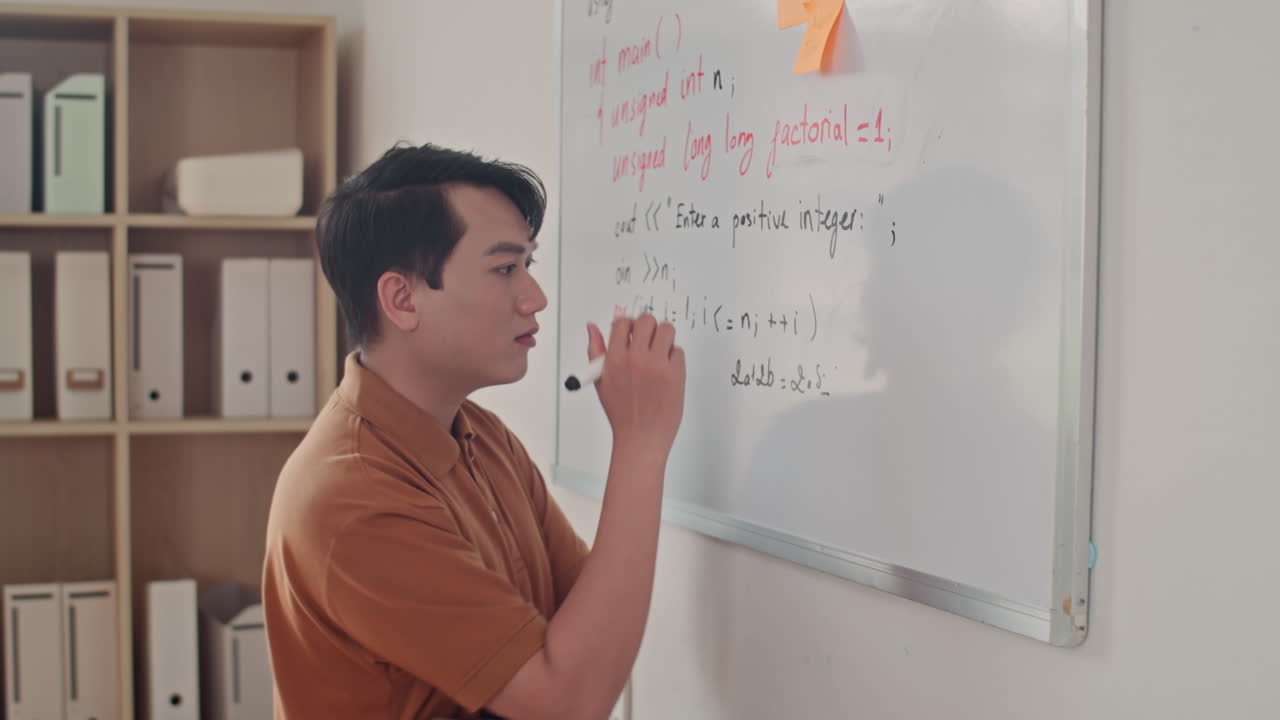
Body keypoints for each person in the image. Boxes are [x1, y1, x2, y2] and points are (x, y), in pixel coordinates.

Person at [261, 142, 686, 719]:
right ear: (402, 298)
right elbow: (567, 701)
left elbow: (588, 616)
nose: (535, 298)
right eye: (505, 268)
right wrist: (640, 446)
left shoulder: (481, 435)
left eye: (527, 266)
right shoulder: (353, 497)